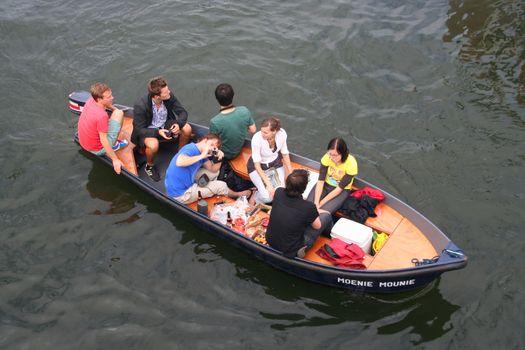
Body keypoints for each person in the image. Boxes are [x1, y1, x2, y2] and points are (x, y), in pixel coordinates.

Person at [132, 76, 192, 182]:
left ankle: (180, 156)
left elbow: (182, 112)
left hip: (165, 124)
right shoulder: (140, 105)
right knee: (154, 145)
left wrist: (178, 124)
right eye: (166, 92)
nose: (169, 92)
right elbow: (139, 129)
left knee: (187, 129)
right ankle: (149, 166)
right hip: (148, 129)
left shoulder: (169, 96)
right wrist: (157, 132)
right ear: (157, 96)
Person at [165, 133, 252, 204]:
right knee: (221, 185)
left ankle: (206, 187)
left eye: (214, 147)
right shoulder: (191, 148)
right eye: (211, 144)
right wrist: (201, 156)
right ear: (205, 140)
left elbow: (212, 169)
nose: (211, 148)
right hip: (181, 194)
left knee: (215, 173)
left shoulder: (201, 152)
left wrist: (219, 158)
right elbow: (179, 162)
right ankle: (238, 194)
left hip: (184, 181)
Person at [266, 169, 333, 258]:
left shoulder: (278, 192)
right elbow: (317, 226)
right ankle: (329, 238)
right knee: (327, 216)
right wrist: (321, 212)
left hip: (271, 240)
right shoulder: (309, 207)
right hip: (292, 250)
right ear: (304, 188)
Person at [77, 82, 128, 174]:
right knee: (119, 113)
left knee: (116, 111)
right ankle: (115, 145)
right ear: (99, 99)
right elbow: (104, 140)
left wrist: (113, 108)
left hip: (83, 142)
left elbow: (105, 104)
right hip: (97, 149)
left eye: (111, 95)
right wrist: (115, 160)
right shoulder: (102, 116)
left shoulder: (91, 100)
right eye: (108, 97)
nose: (112, 98)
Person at [247, 117, 293, 204]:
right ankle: (256, 195)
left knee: (280, 192)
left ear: (274, 131)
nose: (262, 134)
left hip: (275, 163)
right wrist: (268, 184)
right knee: (267, 197)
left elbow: (285, 153)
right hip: (257, 166)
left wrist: (290, 173)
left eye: (266, 132)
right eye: (261, 131)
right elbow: (257, 165)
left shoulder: (282, 134)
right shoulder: (256, 139)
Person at [308, 137, 358, 213]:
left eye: (335, 155)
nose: (332, 157)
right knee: (309, 206)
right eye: (330, 154)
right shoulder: (326, 157)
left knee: (323, 212)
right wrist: (316, 202)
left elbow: (340, 188)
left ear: (343, 153)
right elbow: (321, 181)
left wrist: (320, 204)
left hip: (341, 190)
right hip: (325, 184)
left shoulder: (351, 163)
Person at [209, 83, 256, 160]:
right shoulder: (244, 110)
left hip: (225, 155)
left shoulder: (215, 122)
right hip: (238, 150)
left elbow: (212, 145)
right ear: (233, 96)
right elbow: (253, 130)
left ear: (217, 99)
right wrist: (241, 126)